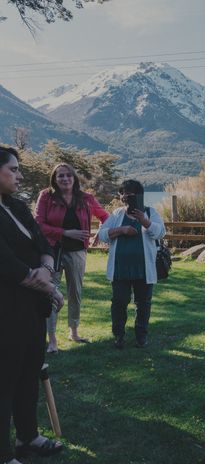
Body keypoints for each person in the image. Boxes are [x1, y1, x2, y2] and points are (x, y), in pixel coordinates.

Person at [0, 146, 64, 464]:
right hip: (5, 310)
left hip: (31, 309)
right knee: (4, 379)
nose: (19, 175)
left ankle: (28, 437)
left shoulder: (18, 206)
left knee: (28, 372)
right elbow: (6, 263)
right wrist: (48, 286)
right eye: (13, 169)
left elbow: (43, 242)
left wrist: (47, 270)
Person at [35, 163, 110, 353]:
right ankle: (52, 340)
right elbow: (38, 225)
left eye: (68, 175)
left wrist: (100, 234)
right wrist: (65, 232)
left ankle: (74, 332)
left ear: (74, 178)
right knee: (51, 293)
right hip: (52, 251)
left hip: (77, 253)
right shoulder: (46, 196)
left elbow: (106, 217)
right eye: (60, 176)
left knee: (75, 292)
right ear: (54, 178)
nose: (65, 179)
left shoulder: (86, 198)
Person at [97, 179, 166, 349]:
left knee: (143, 303)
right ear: (121, 197)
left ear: (140, 196)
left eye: (131, 195)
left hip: (143, 267)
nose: (127, 197)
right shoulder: (117, 214)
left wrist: (145, 221)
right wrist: (122, 230)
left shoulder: (150, 212)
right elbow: (102, 234)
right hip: (120, 268)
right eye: (124, 194)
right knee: (119, 301)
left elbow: (160, 233)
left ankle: (141, 336)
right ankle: (119, 335)